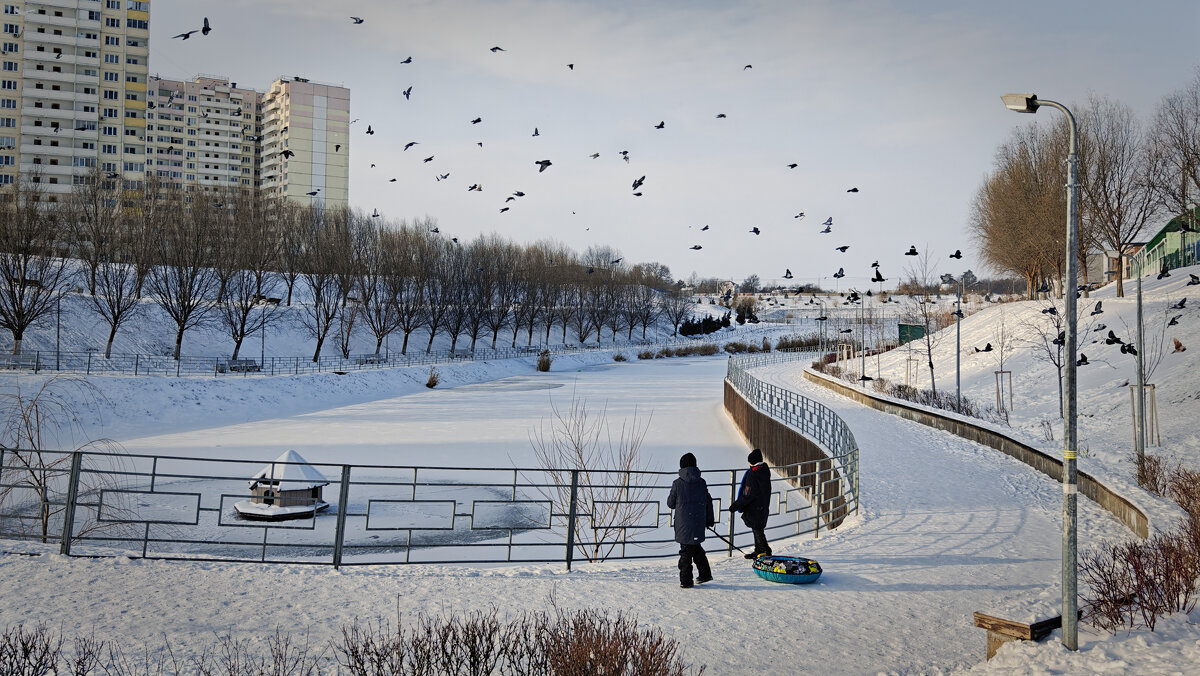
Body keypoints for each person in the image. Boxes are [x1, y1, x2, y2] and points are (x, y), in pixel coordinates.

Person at [667, 452, 714, 588]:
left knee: (686, 553)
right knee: (696, 548)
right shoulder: (702, 483)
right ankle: (705, 574)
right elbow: (708, 502)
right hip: (699, 522)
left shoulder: (677, 484)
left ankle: (686, 581)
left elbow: (670, 503)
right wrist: (709, 519)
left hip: (683, 525)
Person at [729, 448, 772, 559]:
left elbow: (748, 494)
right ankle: (759, 550)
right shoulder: (764, 471)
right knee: (757, 528)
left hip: (754, 507)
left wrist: (736, 505)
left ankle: (765, 551)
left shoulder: (753, 474)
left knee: (757, 529)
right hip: (762, 505)